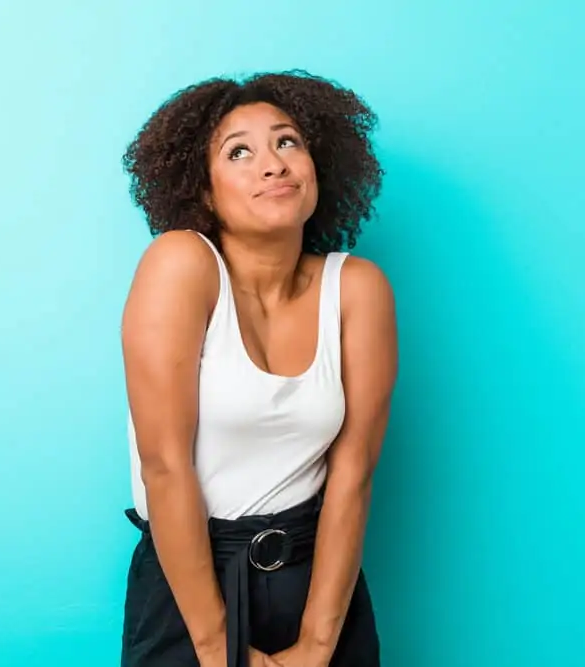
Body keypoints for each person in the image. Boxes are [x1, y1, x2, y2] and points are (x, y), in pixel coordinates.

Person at [118, 70, 398, 667]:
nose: (272, 164)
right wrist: (221, 653)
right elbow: (164, 464)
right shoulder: (180, 265)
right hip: (191, 578)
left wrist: (318, 646)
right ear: (203, 188)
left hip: (318, 576)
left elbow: (353, 474)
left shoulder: (357, 289)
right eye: (238, 151)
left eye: (287, 141)